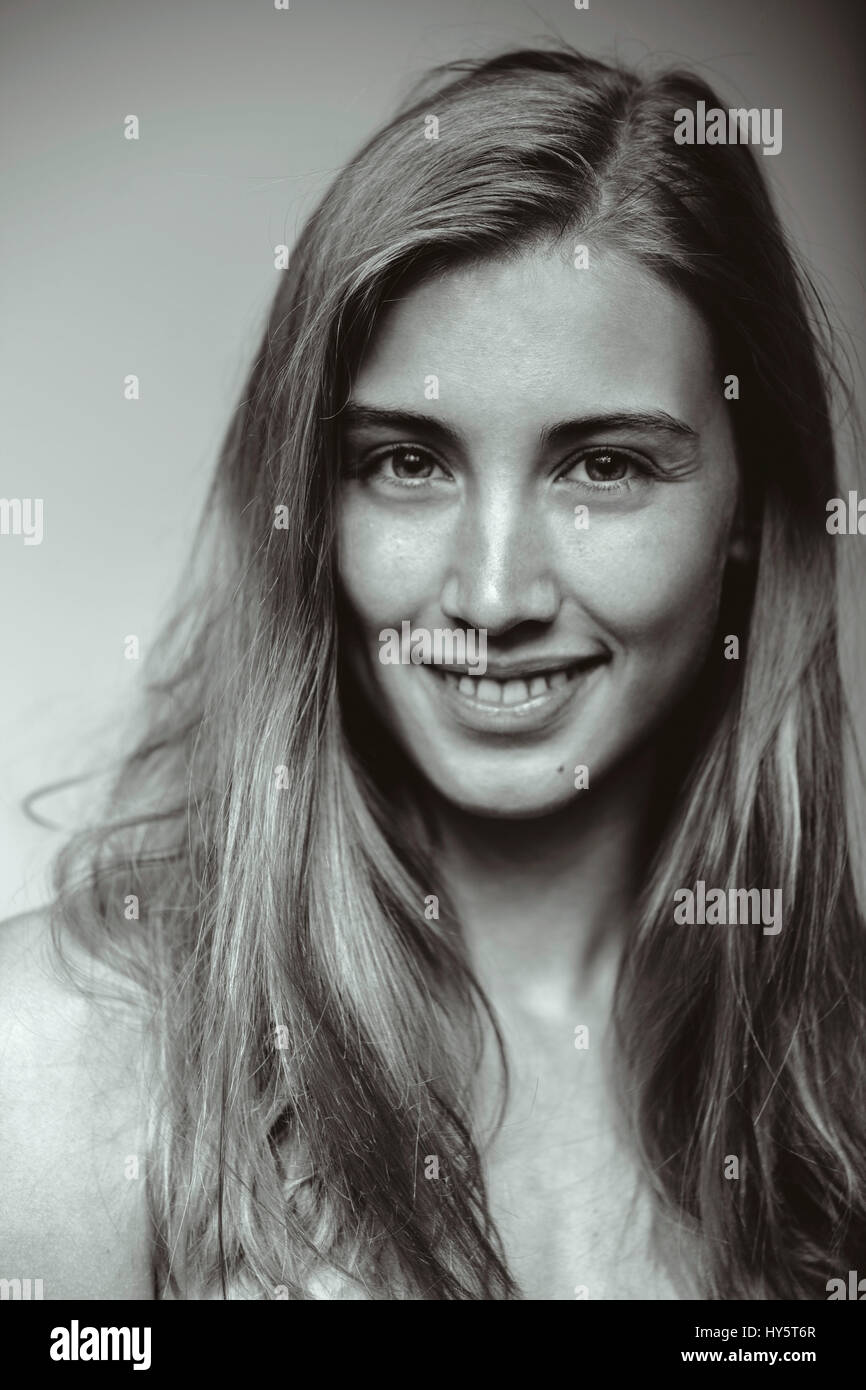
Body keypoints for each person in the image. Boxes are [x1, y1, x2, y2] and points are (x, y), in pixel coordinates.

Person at [2, 46, 863, 1301]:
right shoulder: (54, 1058)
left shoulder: (834, 1084)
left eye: (603, 466)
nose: (494, 596)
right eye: (408, 463)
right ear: (311, 503)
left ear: (746, 504)